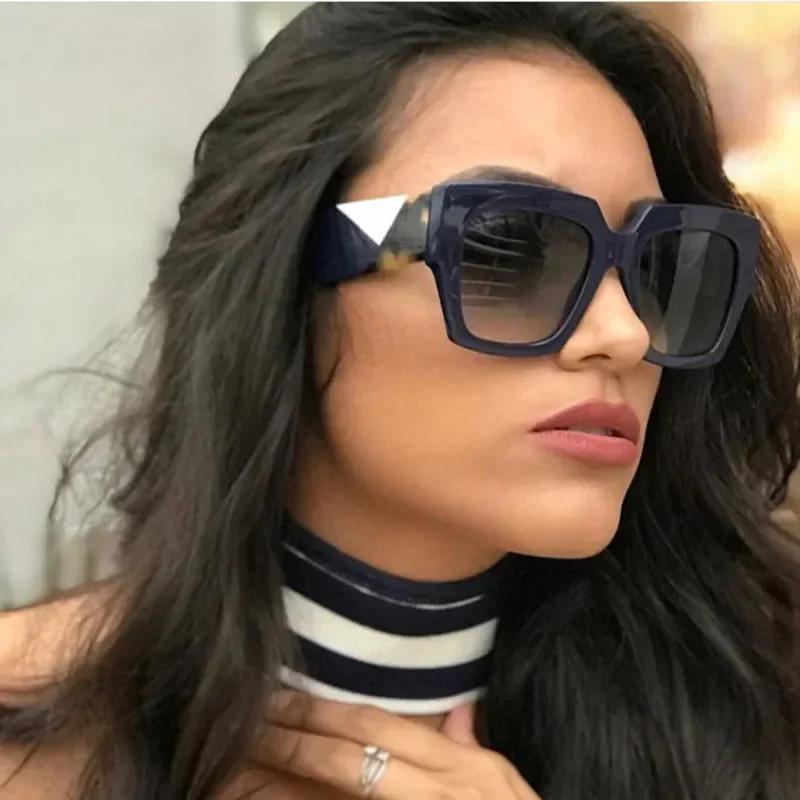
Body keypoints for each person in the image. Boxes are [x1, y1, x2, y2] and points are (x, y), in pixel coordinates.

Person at [1, 2, 799, 798]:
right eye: (509, 248)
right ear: (289, 279)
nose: (625, 334)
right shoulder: (30, 745)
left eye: (661, 267)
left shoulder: (756, 712)